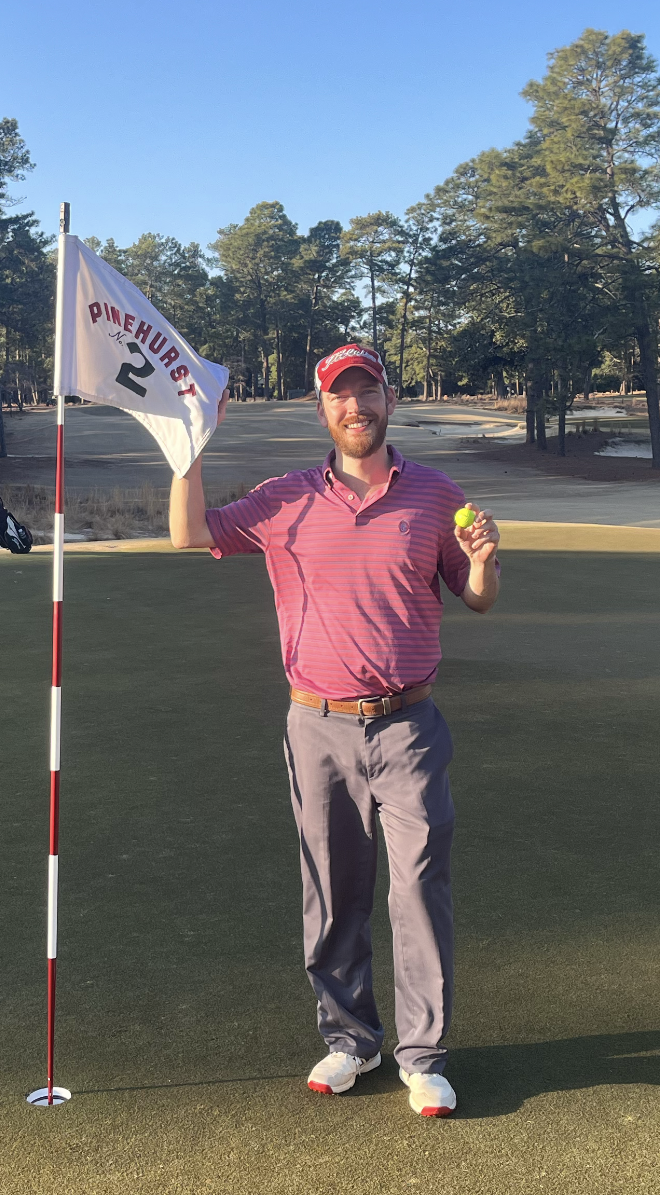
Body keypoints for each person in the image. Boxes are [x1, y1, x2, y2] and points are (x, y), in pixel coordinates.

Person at [169, 343, 500, 1117]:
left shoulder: (434, 495)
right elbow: (188, 534)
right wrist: (187, 451)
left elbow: (474, 596)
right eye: (340, 396)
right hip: (315, 723)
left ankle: (423, 1056)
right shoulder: (282, 498)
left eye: (368, 391)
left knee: (419, 890)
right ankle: (351, 1039)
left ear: (389, 399)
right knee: (331, 889)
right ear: (321, 409)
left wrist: (483, 562)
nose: (356, 406)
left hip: (408, 725)